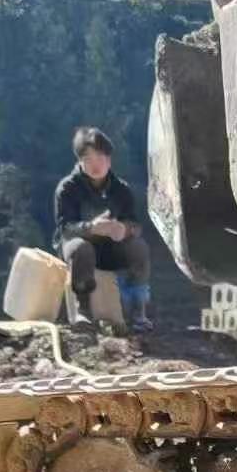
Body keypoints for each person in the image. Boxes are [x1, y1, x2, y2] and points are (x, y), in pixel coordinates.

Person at [54, 127, 152, 330]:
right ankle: (83, 310)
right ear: (80, 161)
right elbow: (66, 228)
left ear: (109, 159)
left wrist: (124, 229)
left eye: (100, 157)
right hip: (78, 249)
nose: (95, 164)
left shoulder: (121, 189)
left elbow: (135, 224)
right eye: (88, 159)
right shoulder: (68, 188)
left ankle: (138, 311)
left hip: (110, 249)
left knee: (138, 247)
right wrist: (91, 228)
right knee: (81, 248)